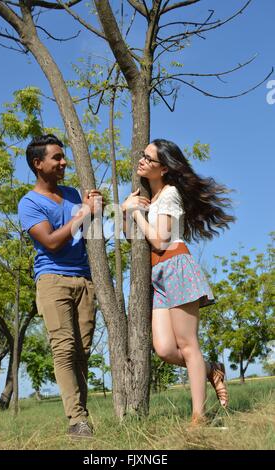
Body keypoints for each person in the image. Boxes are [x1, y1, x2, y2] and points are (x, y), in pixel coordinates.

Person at [121, 139, 234, 426]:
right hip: (157, 276)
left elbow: (159, 241)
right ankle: (211, 369)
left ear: (165, 168)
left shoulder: (170, 195)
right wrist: (127, 210)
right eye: (143, 155)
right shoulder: (152, 197)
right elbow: (134, 239)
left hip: (176, 268)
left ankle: (199, 417)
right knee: (164, 349)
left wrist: (137, 213)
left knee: (187, 344)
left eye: (149, 158)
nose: (142, 160)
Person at [18, 134, 102, 438]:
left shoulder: (72, 194)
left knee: (83, 351)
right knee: (64, 349)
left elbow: (95, 226)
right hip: (53, 280)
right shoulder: (29, 203)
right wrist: (81, 215)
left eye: (63, 157)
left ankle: (82, 415)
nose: (64, 162)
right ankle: (77, 421)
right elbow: (51, 242)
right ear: (38, 164)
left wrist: (100, 208)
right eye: (57, 158)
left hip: (85, 280)